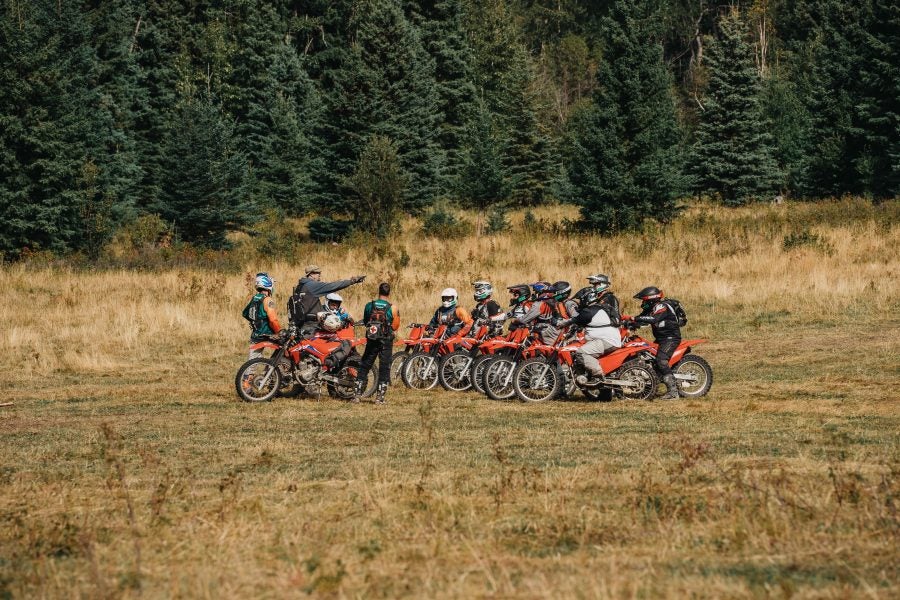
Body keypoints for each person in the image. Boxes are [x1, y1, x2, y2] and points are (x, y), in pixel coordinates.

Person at [625, 286, 681, 399]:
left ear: (651, 299)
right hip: (661, 339)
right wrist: (627, 323)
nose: (643, 303)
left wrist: (633, 318)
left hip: (670, 338)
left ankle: (673, 392)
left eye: (644, 300)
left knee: (661, 361)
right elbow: (642, 319)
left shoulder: (662, 306)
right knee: (649, 358)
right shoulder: (651, 308)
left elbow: (653, 319)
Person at [556, 289, 622, 385]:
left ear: (586, 299)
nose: (580, 302)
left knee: (581, 353)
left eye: (581, 300)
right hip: (608, 339)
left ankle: (598, 376)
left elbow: (575, 319)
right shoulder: (597, 308)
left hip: (605, 341)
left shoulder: (589, 311)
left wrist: (561, 324)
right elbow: (581, 323)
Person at [354, 282, 401, 404]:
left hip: (372, 338)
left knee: (365, 364)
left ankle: (357, 394)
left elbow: (365, 321)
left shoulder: (370, 305)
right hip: (386, 340)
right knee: (384, 367)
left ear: (378, 291)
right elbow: (395, 326)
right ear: (389, 293)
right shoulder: (393, 308)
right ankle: (380, 398)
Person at [289, 264, 365, 335]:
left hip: (300, 324)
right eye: (318, 273)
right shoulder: (311, 285)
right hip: (312, 325)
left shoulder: (299, 287)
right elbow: (332, 286)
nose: (319, 276)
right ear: (311, 274)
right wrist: (351, 281)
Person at [241, 272, 282, 359]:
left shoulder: (255, 298)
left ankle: (250, 373)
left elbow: (245, 313)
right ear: (268, 284)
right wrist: (279, 331)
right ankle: (271, 368)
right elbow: (273, 319)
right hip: (266, 334)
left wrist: (255, 321)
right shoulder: (268, 300)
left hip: (255, 334)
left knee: (251, 363)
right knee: (285, 346)